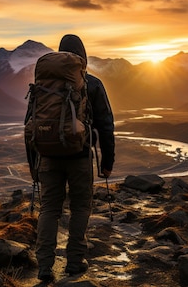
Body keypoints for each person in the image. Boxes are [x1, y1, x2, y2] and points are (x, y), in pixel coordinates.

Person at [28, 34, 115, 282]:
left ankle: (44, 266)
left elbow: (30, 125)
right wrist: (107, 163)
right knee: (79, 207)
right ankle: (75, 263)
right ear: (82, 55)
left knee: (49, 209)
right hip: (79, 156)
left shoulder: (43, 85)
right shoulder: (92, 83)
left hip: (46, 156)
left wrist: (34, 164)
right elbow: (106, 125)